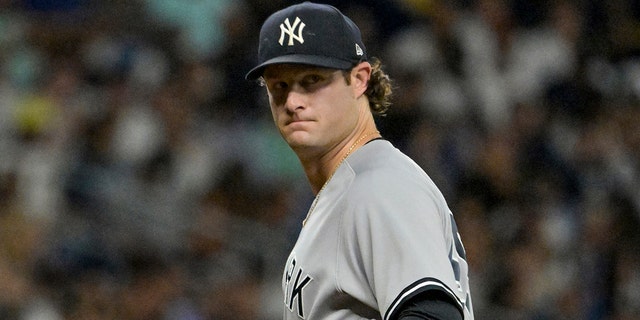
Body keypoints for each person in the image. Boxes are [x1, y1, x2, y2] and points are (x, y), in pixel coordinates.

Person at [245, 2, 474, 319]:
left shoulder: (379, 187)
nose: (293, 101)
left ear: (359, 79)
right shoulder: (349, 187)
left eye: (312, 80)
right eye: (279, 85)